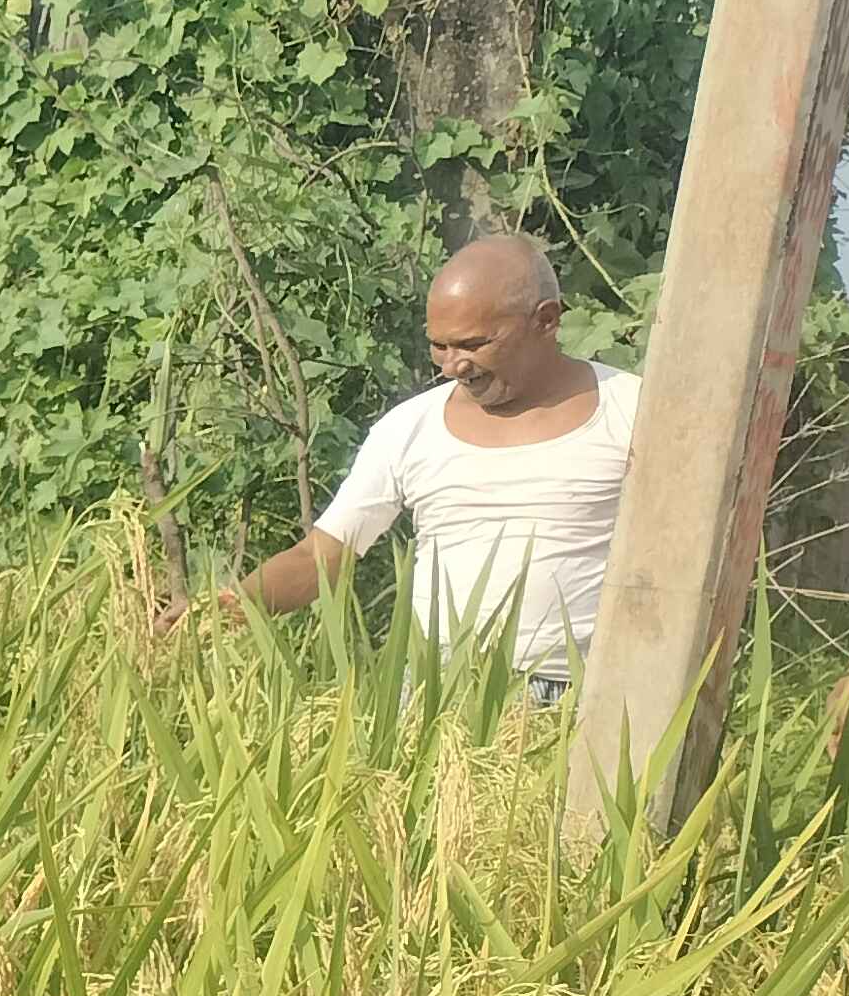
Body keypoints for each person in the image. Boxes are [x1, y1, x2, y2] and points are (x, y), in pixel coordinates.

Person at [190, 234, 638, 692]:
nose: (451, 366)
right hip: (436, 694)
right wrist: (225, 609)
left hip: (586, 696)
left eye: (472, 344)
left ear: (546, 320)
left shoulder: (635, 412)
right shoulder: (409, 428)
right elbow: (322, 556)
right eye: (440, 346)